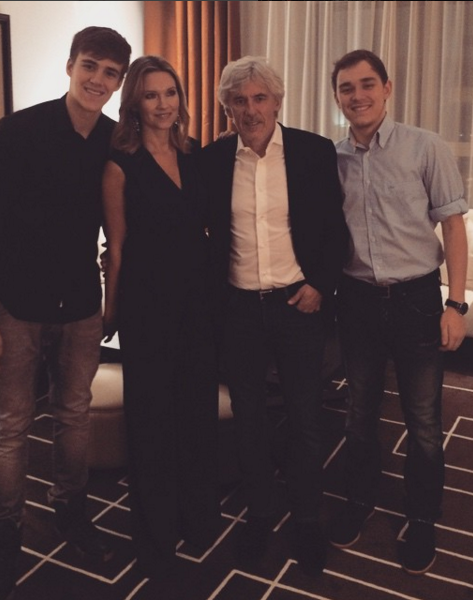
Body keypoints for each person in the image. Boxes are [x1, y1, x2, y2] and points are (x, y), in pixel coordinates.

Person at [0, 26, 131, 600]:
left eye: (110, 73)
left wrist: (112, 301)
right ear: (70, 66)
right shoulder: (18, 132)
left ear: (119, 82)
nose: (98, 80)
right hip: (16, 305)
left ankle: (71, 512)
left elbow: (118, 230)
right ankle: (6, 536)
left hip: (80, 304)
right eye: (90, 66)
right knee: (11, 425)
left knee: (74, 415)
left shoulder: (113, 140)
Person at [199, 56, 349, 576]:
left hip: (297, 305)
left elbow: (334, 229)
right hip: (239, 309)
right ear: (227, 108)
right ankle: (260, 512)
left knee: (305, 417)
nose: (251, 110)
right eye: (239, 101)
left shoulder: (313, 151)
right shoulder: (213, 160)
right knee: (250, 418)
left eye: (260, 98)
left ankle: (307, 517)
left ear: (278, 101)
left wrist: (319, 285)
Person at [329, 49, 468, 575]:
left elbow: (453, 225)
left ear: (387, 88)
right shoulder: (332, 158)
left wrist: (456, 303)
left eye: (367, 84)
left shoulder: (424, 147)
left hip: (416, 299)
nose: (358, 95)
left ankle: (423, 515)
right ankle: (359, 499)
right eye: (347, 88)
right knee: (359, 414)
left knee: (424, 420)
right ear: (337, 97)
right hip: (356, 300)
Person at [101, 55, 221, 581]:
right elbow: (117, 247)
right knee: (151, 422)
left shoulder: (194, 156)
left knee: (195, 413)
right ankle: (155, 535)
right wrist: (110, 309)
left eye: (170, 93)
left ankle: (198, 517)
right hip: (146, 307)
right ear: (135, 103)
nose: (163, 104)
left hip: (198, 303)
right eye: (151, 95)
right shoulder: (119, 165)